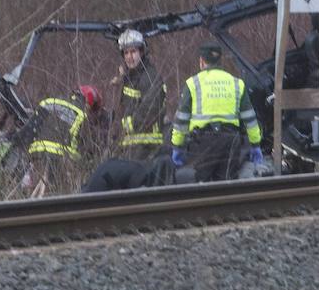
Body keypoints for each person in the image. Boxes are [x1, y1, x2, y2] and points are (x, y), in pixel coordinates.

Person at [170, 40, 263, 182]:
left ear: (201, 61)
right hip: (230, 140)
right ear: (220, 61)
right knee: (226, 185)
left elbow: (182, 119)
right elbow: (250, 119)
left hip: (203, 141)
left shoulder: (193, 83)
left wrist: (177, 146)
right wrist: (255, 144)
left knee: (201, 185)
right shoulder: (236, 83)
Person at [0, 85, 103, 198]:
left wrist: (17, 145)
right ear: (88, 103)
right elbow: (81, 148)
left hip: (36, 155)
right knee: (52, 196)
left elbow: (30, 129)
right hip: (60, 160)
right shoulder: (82, 116)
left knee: (29, 191)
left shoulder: (49, 102)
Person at [111, 29, 167, 161]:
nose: (130, 57)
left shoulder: (150, 76)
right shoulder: (129, 78)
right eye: (126, 53)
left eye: (133, 52)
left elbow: (150, 108)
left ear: (141, 52)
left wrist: (128, 125)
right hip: (131, 146)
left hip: (147, 147)